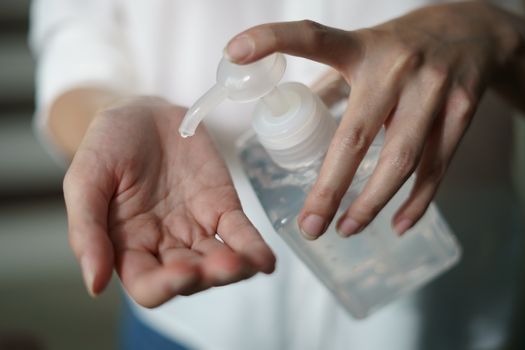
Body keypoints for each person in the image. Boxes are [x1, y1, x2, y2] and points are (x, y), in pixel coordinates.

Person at [30, 0, 525, 349]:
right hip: (197, 322)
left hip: (446, 317)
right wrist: (116, 113)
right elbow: (74, 57)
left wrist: (495, 29)